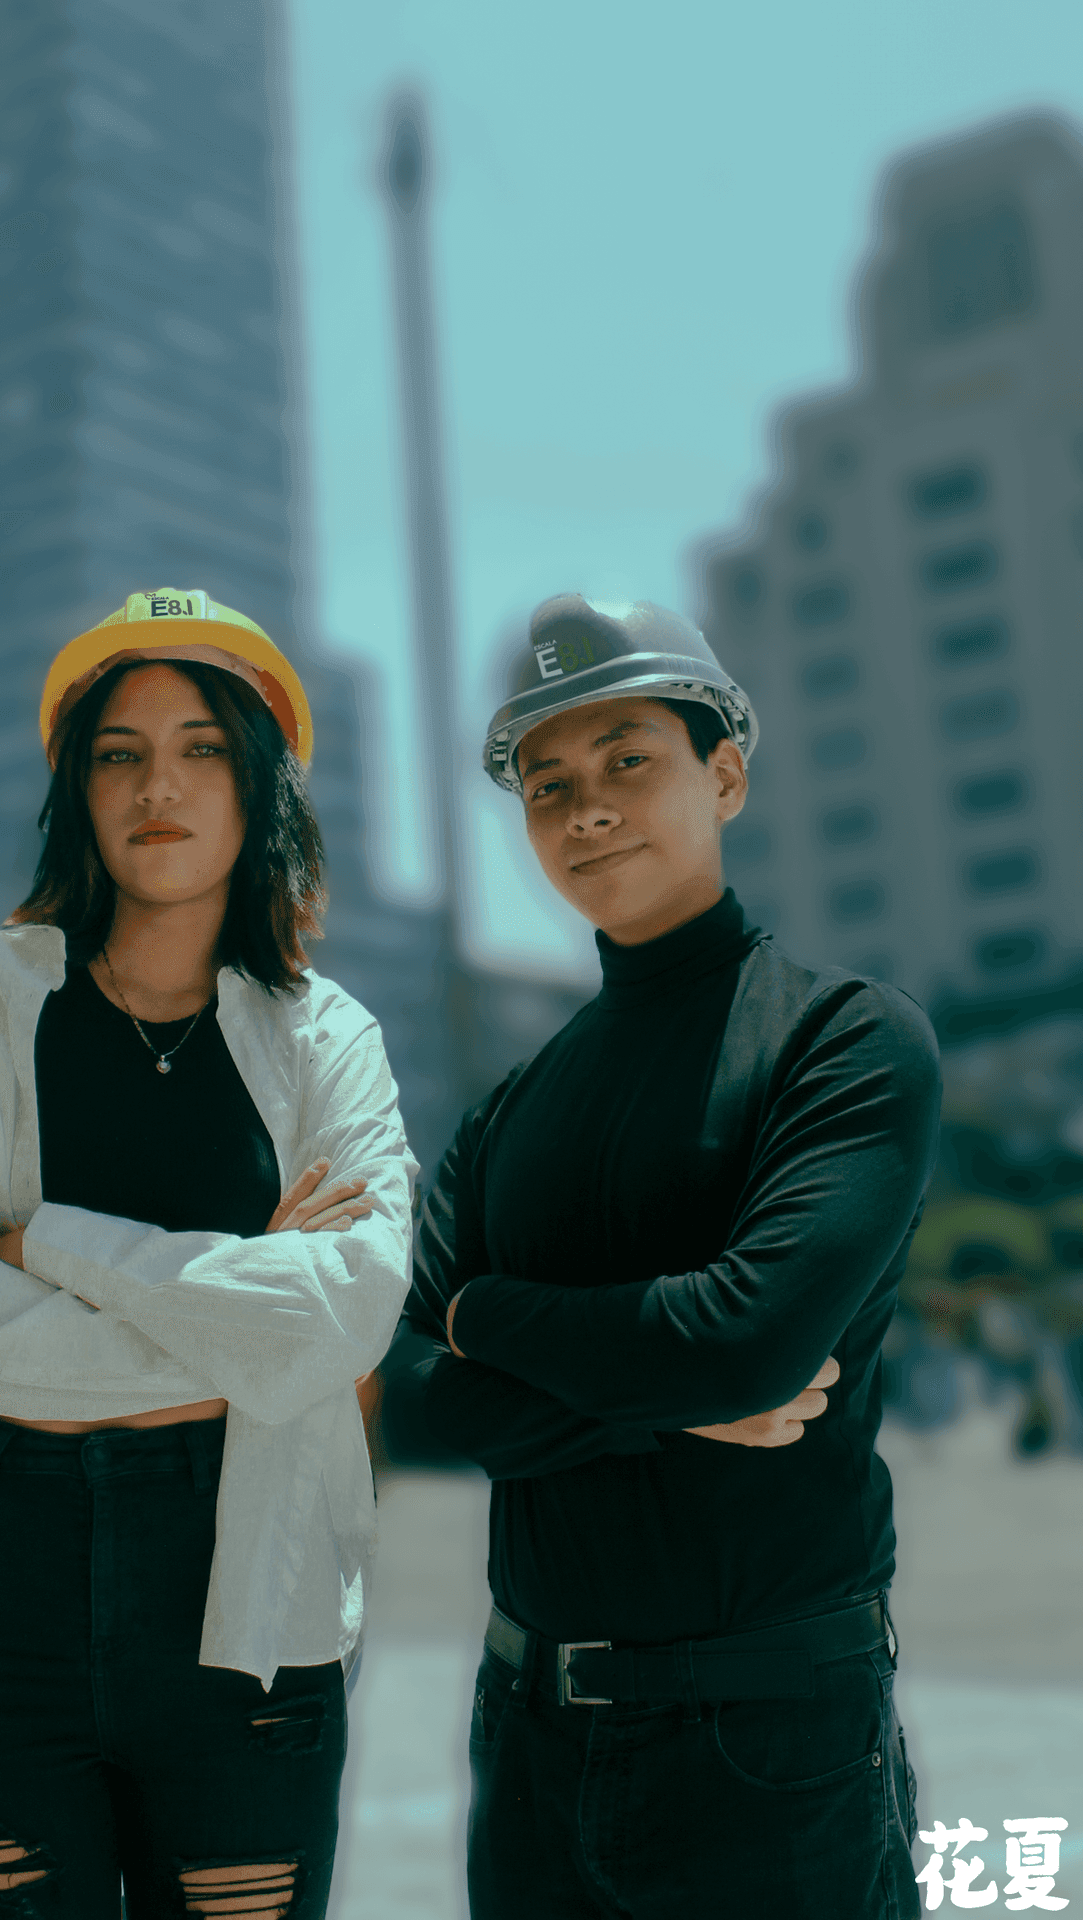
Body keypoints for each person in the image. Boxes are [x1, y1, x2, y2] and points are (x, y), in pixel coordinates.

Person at [0, 588, 417, 1920]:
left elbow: (344, 1318)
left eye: (202, 746)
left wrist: (48, 1243)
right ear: (79, 790)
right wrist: (234, 1336)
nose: (159, 782)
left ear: (258, 779)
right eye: (120, 751)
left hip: (248, 1635)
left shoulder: (325, 1037)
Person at [372, 594, 940, 1919]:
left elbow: (743, 1341)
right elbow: (402, 1397)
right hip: (529, 1734)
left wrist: (488, 1311)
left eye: (630, 759)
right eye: (550, 783)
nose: (588, 808)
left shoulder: (845, 1043)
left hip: (770, 1742)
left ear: (725, 772)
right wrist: (671, 1402)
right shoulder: (505, 1114)